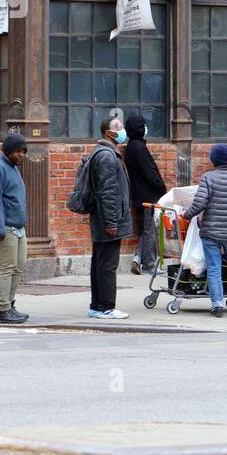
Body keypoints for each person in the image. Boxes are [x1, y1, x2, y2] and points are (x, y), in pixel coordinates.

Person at [183, 143, 227, 318]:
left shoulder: (208, 178)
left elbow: (200, 203)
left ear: (213, 159)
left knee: (214, 268)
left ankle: (217, 306)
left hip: (211, 232)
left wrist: (187, 215)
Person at [87, 117, 133, 319]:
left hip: (102, 218)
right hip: (107, 219)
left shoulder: (105, 153)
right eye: (119, 128)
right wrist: (112, 222)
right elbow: (108, 192)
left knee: (100, 261)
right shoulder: (106, 156)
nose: (122, 131)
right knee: (107, 264)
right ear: (108, 133)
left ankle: (97, 305)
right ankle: (105, 306)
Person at [0, 134, 30, 324]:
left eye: (23, 151)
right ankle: (1, 310)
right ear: (8, 150)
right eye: (18, 151)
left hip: (17, 227)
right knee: (6, 267)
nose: (21, 155)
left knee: (18, 267)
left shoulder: (13, 168)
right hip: (3, 226)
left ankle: (9, 305)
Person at [122, 113, 167, 276]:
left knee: (145, 230)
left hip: (139, 196)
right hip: (148, 196)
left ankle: (138, 257)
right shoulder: (139, 148)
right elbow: (150, 172)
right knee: (150, 231)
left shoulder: (131, 147)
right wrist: (161, 187)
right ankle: (149, 264)